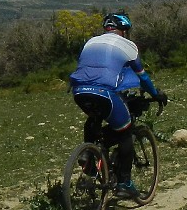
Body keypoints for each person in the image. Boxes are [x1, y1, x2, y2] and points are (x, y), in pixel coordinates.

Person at [68, 12, 166, 198]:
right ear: (123, 30)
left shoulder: (91, 42)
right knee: (126, 132)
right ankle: (124, 183)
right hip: (105, 93)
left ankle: (89, 154)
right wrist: (156, 94)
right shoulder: (129, 46)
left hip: (79, 91)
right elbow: (142, 76)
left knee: (94, 119)